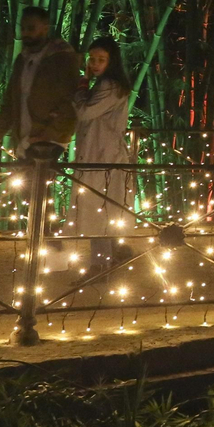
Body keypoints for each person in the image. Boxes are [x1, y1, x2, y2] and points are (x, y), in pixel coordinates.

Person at [63, 37, 134, 275]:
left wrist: (81, 87)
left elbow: (84, 112)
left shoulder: (109, 86)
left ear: (111, 62)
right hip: (101, 154)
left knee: (98, 210)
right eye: (91, 59)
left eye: (100, 60)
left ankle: (100, 264)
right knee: (102, 209)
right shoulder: (106, 85)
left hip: (103, 156)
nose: (94, 64)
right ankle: (112, 255)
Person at [0, 7, 80, 160]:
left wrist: (49, 133)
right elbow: (10, 103)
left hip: (48, 142)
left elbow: (71, 102)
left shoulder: (61, 59)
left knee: (33, 182)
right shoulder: (22, 59)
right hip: (25, 138)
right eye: (23, 28)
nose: (25, 33)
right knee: (25, 183)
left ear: (45, 28)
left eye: (31, 28)